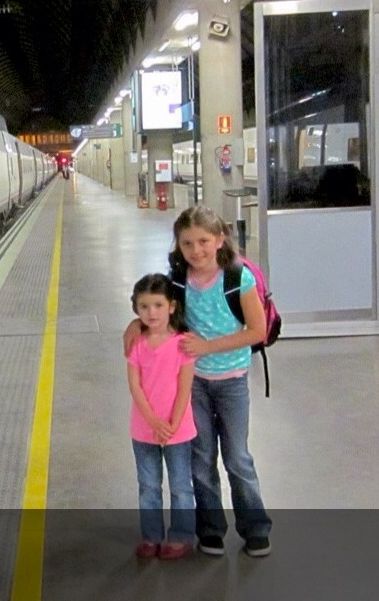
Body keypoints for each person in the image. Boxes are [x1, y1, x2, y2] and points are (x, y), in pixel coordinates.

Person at [123, 205, 273, 558]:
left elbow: (257, 331)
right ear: (178, 244)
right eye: (187, 243)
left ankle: (255, 527)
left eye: (204, 241)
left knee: (237, 457)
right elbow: (156, 307)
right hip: (193, 383)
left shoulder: (238, 278)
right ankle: (210, 529)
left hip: (232, 380)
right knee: (201, 458)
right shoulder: (177, 280)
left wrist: (208, 346)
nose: (196, 250)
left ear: (220, 239)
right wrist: (135, 324)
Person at [126, 273, 196, 560]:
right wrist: (154, 422)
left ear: (171, 306)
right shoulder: (137, 344)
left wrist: (172, 425)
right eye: (144, 306)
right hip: (144, 430)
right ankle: (151, 536)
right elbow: (135, 385)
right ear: (136, 309)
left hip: (178, 430)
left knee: (180, 486)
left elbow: (185, 388)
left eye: (158, 305)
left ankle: (181, 535)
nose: (151, 313)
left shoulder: (183, 344)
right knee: (148, 486)